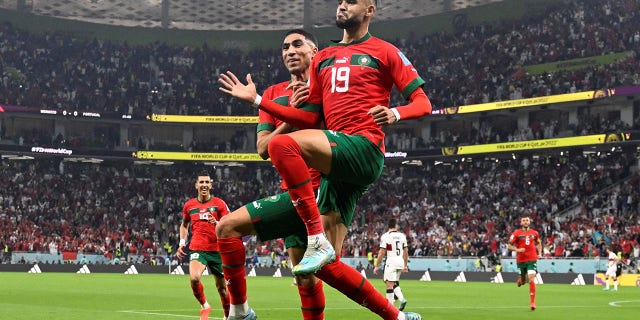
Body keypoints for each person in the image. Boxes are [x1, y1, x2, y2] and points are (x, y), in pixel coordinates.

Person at [218, 0, 430, 319]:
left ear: (370, 9)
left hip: (358, 150)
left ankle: (316, 238)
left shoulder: (384, 51)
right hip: (316, 188)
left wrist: (395, 112)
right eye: (284, 47)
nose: (343, 5)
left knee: (284, 147)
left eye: (297, 44)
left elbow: (422, 101)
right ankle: (398, 317)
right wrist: (259, 99)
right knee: (316, 267)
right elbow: (305, 117)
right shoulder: (319, 65)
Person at [216, 28, 325, 320]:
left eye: (297, 44)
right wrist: (289, 114)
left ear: (314, 52)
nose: (289, 51)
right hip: (292, 192)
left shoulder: (327, 88)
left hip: (323, 192)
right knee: (305, 277)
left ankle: (240, 313)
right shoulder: (274, 96)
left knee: (226, 227)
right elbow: (262, 148)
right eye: (285, 47)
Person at [176, 171, 231, 320]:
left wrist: (218, 223)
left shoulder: (219, 204)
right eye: (201, 182)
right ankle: (205, 305)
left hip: (217, 251)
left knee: (222, 289)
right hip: (197, 248)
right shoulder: (189, 205)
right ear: (196, 185)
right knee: (194, 278)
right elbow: (184, 225)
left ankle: (227, 317)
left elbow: (229, 224)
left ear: (211, 185)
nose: (204, 185)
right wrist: (182, 243)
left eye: (207, 182)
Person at [373, 218, 409, 311]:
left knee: (389, 284)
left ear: (388, 226)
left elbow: (381, 252)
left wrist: (377, 266)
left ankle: (391, 308)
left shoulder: (386, 236)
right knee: (392, 282)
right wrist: (405, 265)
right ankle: (401, 299)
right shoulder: (402, 236)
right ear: (396, 226)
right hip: (400, 261)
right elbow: (406, 251)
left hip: (391, 261)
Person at [507, 216, 542, 311]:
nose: (525, 222)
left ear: (529, 222)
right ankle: (520, 280)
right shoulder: (516, 233)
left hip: (532, 259)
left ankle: (532, 302)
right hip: (521, 260)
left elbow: (538, 243)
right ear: (521, 222)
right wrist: (517, 249)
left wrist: (540, 253)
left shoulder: (535, 233)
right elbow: (509, 245)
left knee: (531, 279)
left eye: (527, 220)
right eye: (523, 220)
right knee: (523, 281)